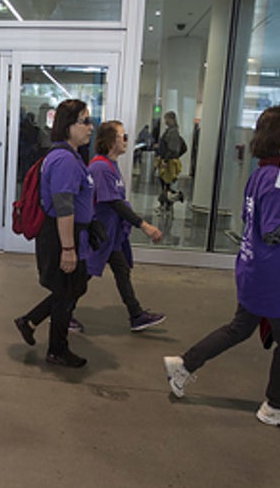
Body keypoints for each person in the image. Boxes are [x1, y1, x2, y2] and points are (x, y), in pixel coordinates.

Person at [163, 105, 280, 432]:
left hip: (259, 270)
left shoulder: (265, 172)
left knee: (240, 328)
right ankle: (277, 404)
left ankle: (184, 364)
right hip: (273, 276)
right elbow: (273, 232)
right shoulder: (275, 179)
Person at [13, 98, 96, 368]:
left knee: (70, 289)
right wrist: (68, 249)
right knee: (66, 293)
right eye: (84, 121)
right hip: (61, 233)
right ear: (68, 126)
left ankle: (30, 321)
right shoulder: (64, 160)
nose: (90, 127)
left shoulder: (70, 156)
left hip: (69, 233)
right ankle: (57, 349)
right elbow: (63, 207)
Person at [86, 119, 166, 331]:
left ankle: (136, 314)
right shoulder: (100, 167)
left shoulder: (111, 165)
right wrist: (144, 225)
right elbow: (114, 202)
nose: (127, 141)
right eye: (124, 136)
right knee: (80, 279)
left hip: (111, 235)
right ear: (112, 140)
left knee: (121, 270)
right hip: (100, 234)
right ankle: (57, 313)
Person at [156, 110, 186, 209]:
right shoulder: (171, 131)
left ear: (172, 119)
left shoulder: (173, 132)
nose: (165, 121)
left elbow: (172, 148)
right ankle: (166, 203)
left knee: (166, 183)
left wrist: (166, 159)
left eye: (166, 119)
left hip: (168, 162)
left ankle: (174, 197)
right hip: (168, 160)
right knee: (165, 183)